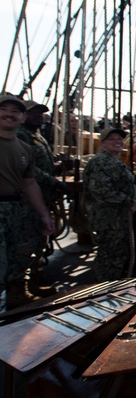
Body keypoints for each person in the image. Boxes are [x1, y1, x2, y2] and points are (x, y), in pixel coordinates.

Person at [0, 95, 55, 308]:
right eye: (4, 109)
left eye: (15, 112)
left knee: (15, 257)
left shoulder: (26, 148)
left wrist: (44, 214)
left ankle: (14, 298)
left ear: (21, 118)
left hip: (15, 209)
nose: (9, 115)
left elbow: (30, 183)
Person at [17, 100, 63, 297]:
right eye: (33, 113)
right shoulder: (20, 136)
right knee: (25, 244)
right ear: (23, 116)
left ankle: (33, 282)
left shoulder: (37, 136)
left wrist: (59, 166)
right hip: (26, 202)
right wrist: (52, 180)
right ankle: (18, 290)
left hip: (43, 198)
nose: (39, 116)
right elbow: (28, 170)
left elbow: (43, 164)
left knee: (38, 241)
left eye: (40, 113)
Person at [82, 127, 136, 281]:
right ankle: (104, 288)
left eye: (119, 139)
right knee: (110, 256)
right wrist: (128, 202)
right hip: (108, 219)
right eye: (111, 139)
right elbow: (100, 190)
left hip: (117, 219)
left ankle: (110, 286)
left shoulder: (112, 161)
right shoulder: (100, 162)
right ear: (102, 143)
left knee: (116, 254)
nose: (117, 142)